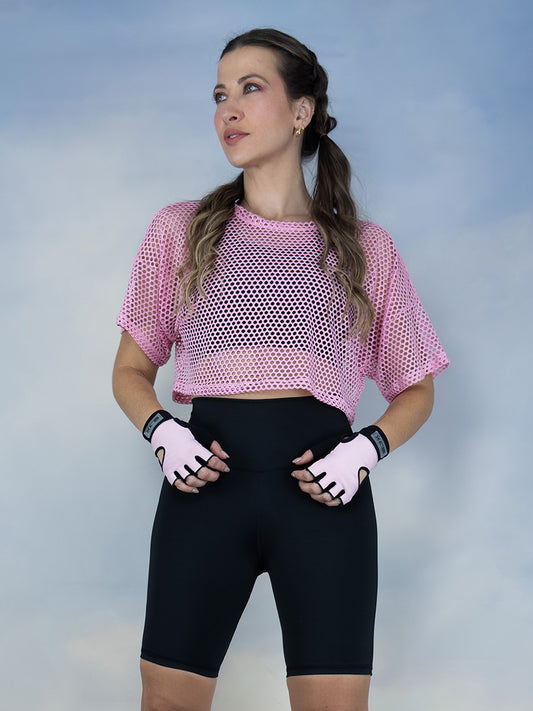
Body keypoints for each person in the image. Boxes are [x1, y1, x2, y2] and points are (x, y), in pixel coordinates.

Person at [112, 28, 449, 711]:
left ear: (301, 111)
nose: (228, 110)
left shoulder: (363, 249)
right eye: (218, 95)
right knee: (167, 702)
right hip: (204, 492)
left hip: (323, 501)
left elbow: (416, 387)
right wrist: (162, 431)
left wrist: (365, 448)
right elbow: (129, 368)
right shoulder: (180, 231)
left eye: (249, 88)